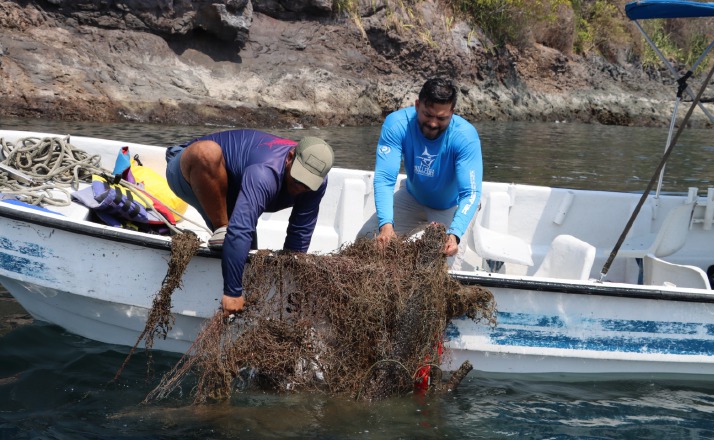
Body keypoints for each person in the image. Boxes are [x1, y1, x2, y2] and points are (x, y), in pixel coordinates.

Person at [165, 130, 334, 314]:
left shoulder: (317, 185)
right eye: (297, 178)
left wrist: (289, 286)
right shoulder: (265, 172)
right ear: (290, 158)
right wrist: (232, 293)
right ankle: (222, 229)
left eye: (307, 184)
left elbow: (299, 233)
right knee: (207, 153)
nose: (300, 187)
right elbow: (240, 231)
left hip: (236, 185)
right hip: (190, 169)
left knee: (247, 251)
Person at [372, 77, 483, 269]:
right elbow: (384, 179)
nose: (432, 124)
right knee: (368, 243)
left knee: (442, 267)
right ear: (417, 105)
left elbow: (470, 193)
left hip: (451, 206)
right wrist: (386, 225)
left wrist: (454, 233)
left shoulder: (465, 136)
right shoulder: (397, 124)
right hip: (412, 197)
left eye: (441, 118)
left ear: (452, 113)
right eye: (427, 115)